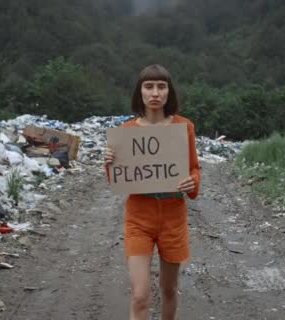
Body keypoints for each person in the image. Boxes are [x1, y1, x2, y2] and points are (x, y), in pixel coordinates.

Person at [105, 64, 201, 320]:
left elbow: (193, 168)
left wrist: (192, 181)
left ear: (169, 92)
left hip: (173, 217)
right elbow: (120, 179)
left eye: (161, 86)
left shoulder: (184, 127)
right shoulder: (126, 132)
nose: (155, 92)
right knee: (140, 295)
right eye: (149, 86)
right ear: (140, 92)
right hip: (139, 217)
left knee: (169, 289)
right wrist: (110, 163)